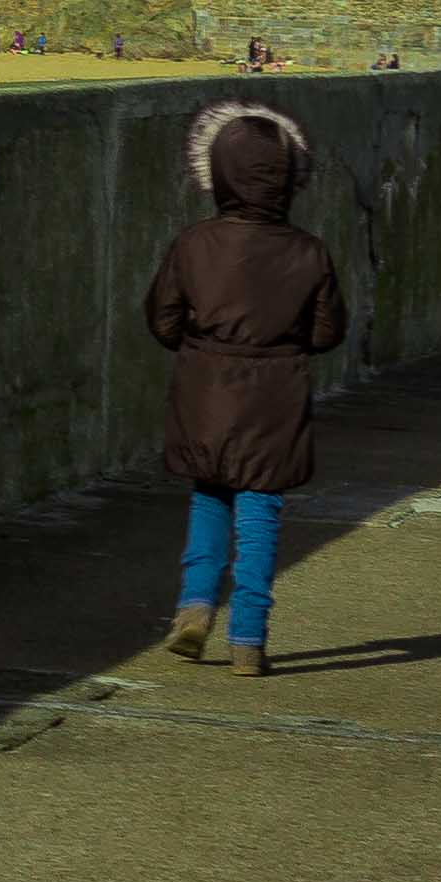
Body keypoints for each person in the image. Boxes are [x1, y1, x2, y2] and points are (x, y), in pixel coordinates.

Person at [146, 101, 346, 676]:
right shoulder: (309, 251)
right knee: (260, 509)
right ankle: (249, 638)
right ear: (289, 178)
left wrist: (201, 343)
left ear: (218, 173)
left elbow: (162, 321)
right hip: (275, 395)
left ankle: (194, 607)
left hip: (205, 388)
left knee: (210, 495)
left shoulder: (193, 244)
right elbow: (328, 331)